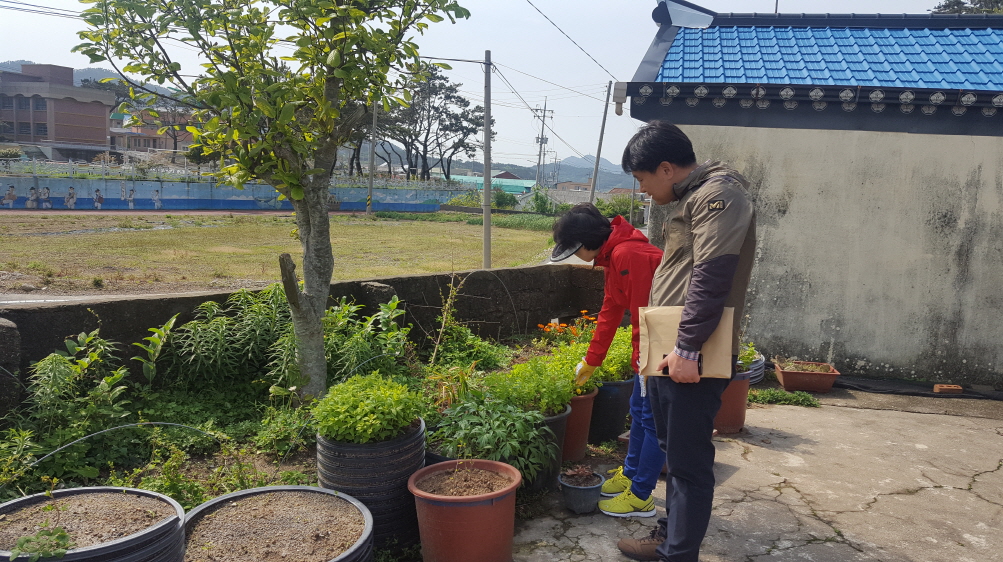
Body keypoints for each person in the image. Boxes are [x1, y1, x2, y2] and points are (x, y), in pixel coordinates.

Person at [616, 121, 756, 562]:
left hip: (689, 353)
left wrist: (688, 348)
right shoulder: (695, 196)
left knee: (689, 463)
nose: (642, 191)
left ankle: (678, 555)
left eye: (641, 180)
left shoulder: (719, 195)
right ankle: (669, 537)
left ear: (665, 168)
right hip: (671, 347)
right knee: (673, 454)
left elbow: (713, 275)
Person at [551, 203, 665, 519]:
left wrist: (645, 361)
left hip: (662, 347)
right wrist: (592, 360)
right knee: (640, 414)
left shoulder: (628, 256)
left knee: (652, 421)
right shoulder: (613, 257)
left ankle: (641, 496)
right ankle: (630, 476)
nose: (575, 257)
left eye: (574, 250)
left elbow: (647, 316)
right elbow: (611, 309)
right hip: (651, 347)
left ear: (588, 242)